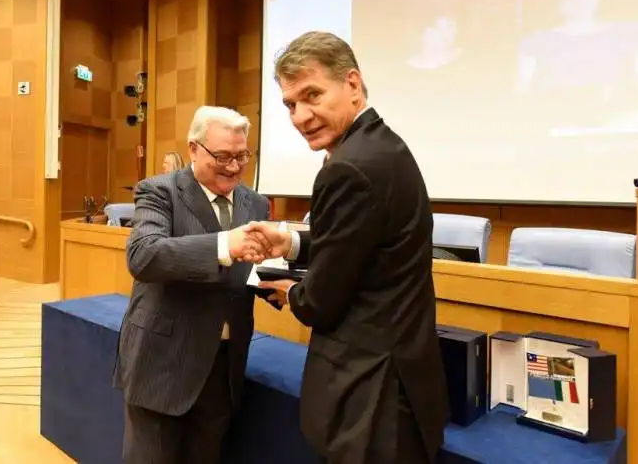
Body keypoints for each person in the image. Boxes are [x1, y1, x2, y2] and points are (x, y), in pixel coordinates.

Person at [245, 31, 449, 464]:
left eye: (311, 95)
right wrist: (292, 241)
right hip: (401, 382)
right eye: (290, 105)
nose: (301, 116)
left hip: (372, 399)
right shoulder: (381, 145)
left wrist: (290, 293)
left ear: (352, 85)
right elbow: (360, 245)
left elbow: (321, 303)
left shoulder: (349, 167)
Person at [113, 106, 271, 464]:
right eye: (223, 156)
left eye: (242, 156)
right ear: (194, 149)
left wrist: (281, 282)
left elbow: (252, 271)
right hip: (163, 362)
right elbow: (143, 256)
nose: (233, 166)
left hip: (223, 369)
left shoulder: (257, 204)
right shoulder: (158, 191)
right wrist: (222, 246)